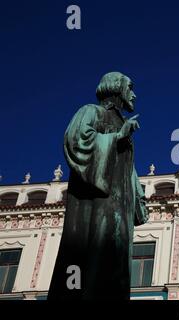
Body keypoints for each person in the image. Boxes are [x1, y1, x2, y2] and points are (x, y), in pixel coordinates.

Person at [47, 72, 148, 300]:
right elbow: (75, 142)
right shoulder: (91, 111)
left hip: (119, 208)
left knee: (115, 262)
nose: (134, 94)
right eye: (129, 88)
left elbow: (127, 170)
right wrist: (116, 137)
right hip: (97, 206)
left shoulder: (123, 124)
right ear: (116, 89)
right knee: (93, 260)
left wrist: (138, 194)